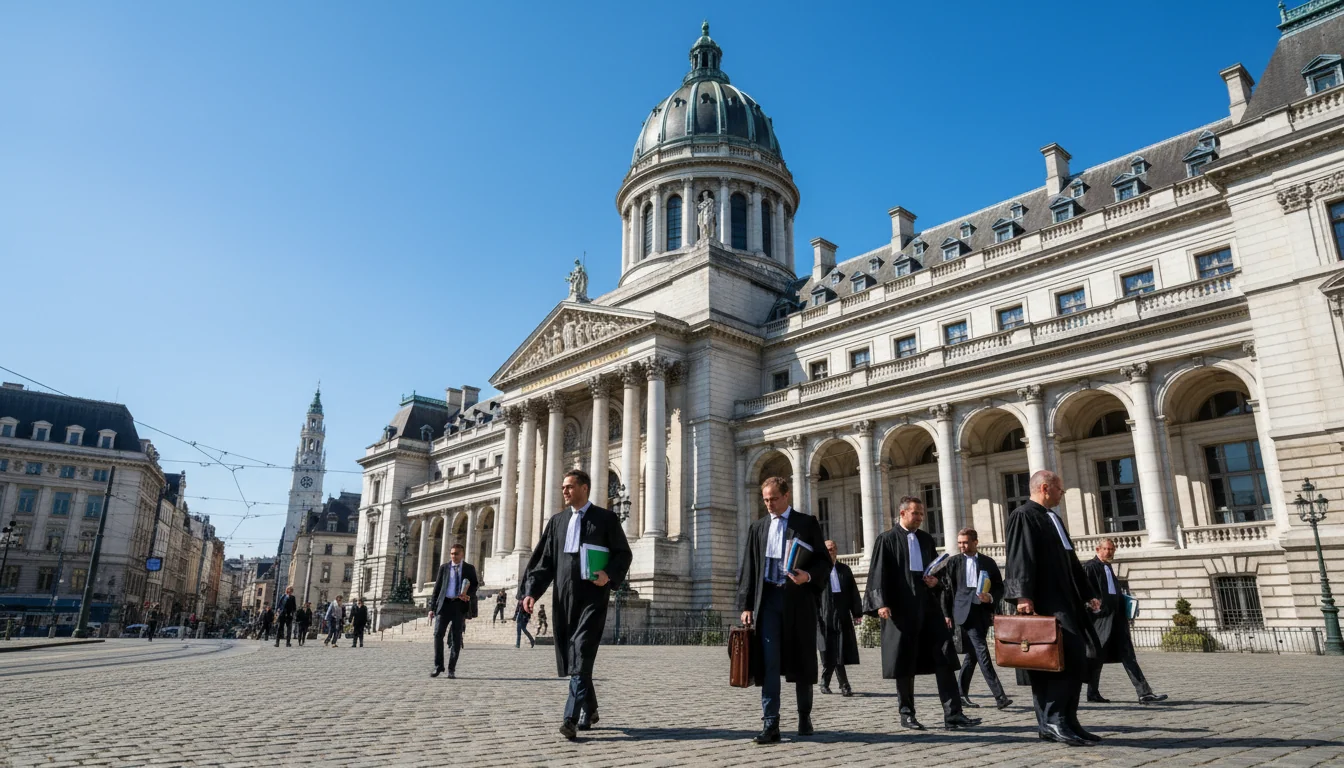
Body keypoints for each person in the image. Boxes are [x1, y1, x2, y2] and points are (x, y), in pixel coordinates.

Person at [520, 469, 632, 741]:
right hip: (563, 596)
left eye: (570, 486)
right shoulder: (557, 521)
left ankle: (570, 717)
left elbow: (623, 553)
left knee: (581, 648)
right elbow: (545, 561)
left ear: (585, 487)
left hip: (593, 595)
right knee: (575, 655)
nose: (565, 491)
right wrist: (531, 592)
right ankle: (590, 708)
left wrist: (609, 575)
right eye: (563, 487)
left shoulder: (606, 518)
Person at [1005, 470, 1103, 747]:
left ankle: (1067, 720)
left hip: (1067, 598)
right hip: (1045, 600)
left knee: (1078, 656)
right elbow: (1019, 557)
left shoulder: (1053, 517)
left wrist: (1088, 593)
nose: (1062, 493)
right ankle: (1052, 721)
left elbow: (1071, 559)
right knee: (1056, 658)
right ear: (1046, 488)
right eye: (1060, 489)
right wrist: (1022, 596)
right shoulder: (1023, 515)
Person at [864, 496, 978, 732]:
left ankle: (953, 714)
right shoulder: (886, 539)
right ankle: (907, 714)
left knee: (945, 656)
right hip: (900, 608)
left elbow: (938, 573)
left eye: (921, 513)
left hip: (927, 606)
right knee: (904, 661)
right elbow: (877, 573)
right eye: (915, 513)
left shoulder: (926, 539)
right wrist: (881, 603)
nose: (919, 517)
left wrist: (935, 581)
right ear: (902, 513)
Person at [737, 476, 830, 745]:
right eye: (765, 500)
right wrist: (745, 605)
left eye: (773, 499)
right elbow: (749, 569)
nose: (769, 504)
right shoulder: (758, 527)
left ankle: (804, 716)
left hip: (798, 601)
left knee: (802, 659)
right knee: (769, 664)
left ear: (786, 496)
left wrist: (808, 577)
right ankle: (770, 723)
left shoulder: (806, 523)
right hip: (768, 601)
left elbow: (824, 562)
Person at [1084, 539, 1167, 705]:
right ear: (1098, 549)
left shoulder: (1108, 566)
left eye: (1112, 549)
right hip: (1101, 621)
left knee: (1128, 655)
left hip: (1117, 619)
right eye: (1107, 549)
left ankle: (1144, 693)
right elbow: (1084, 591)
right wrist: (1092, 605)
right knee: (1096, 658)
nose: (1110, 552)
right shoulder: (1090, 567)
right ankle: (1091, 693)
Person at [940, 527, 1011, 710]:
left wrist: (991, 598)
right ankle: (1000, 696)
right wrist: (946, 613)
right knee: (982, 652)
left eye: (965, 542)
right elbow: (947, 590)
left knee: (972, 655)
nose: (962, 546)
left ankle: (960, 694)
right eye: (960, 543)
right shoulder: (953, 562)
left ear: (975, 542)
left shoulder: (988, 562)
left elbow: (998, 586)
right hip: (963, 612)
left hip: (982, 612)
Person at [817, 539, 862, 697]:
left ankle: (832, 683)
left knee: (840, 650)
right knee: (829, 651)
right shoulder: (818, 570)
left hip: (841, 613)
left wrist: (857, 613)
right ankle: (843, 685)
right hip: (824, 615)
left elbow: (853, 592)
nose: (832, 551)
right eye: (829, 549)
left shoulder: (844, 569)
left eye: (834, 548)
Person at [429, 544, 479, 677]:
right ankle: (438, 666)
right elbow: (437, 588)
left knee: (456, 638)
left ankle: (452, 669)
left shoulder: (469, 568)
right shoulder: (444, 568)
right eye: (451, 553)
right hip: (444, 604)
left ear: (462, 554)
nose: (453, 556)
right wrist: (432, 608)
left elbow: (475, 585)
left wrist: (468, 594)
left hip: (459, 605)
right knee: (437, 635)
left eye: (456, 553)